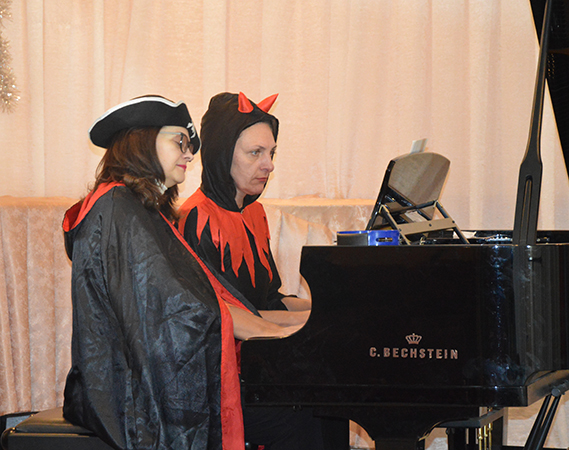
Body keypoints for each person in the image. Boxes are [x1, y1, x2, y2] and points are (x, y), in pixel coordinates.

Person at [62, 96, 288, 450]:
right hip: (131, 399)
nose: (189, 154)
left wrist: (278, 332)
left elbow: (189, 302)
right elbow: (183, 310)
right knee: (300, 418)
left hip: (144, 381)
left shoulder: (133, 208)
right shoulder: (120, 209)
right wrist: (281, 337)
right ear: (142, 142)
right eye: (179, 142)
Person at [178, 92, 349, 450]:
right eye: (255, 153)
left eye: (271, 153)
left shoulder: (254, 214)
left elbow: (270, 300)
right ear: (222, 153)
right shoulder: (196, 218)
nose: (268, 165)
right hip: (222, 382)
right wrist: (309, 329)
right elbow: (222, 314)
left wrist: (333, 309)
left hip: (262, 365)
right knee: (306, 415)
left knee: (334, 403)